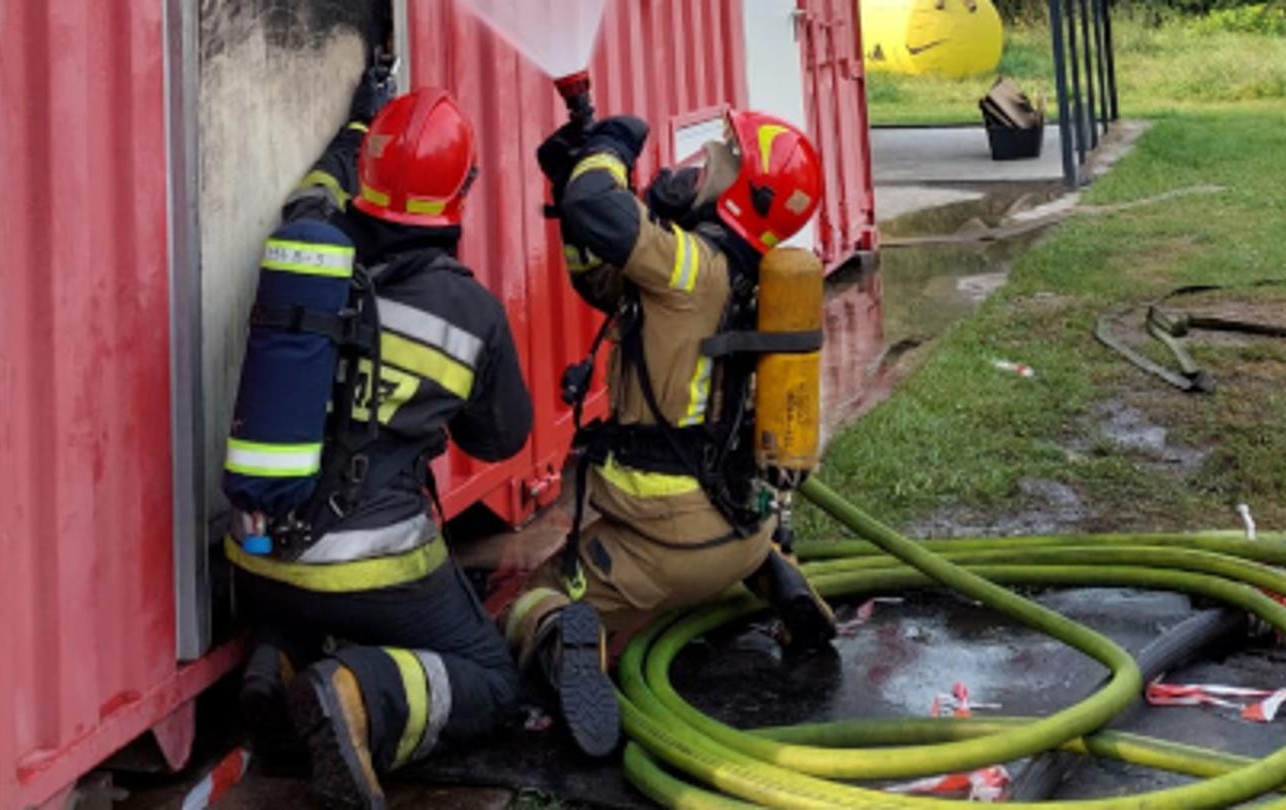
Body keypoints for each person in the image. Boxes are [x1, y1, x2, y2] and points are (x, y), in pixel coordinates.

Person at [227, 66, 532, 810]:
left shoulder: (310, 241)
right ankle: (359, 693)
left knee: (306, 614)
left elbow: (317, 187)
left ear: (365, 174)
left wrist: (359, 123)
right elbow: (502, 440)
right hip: (372, 573)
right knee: (492, 678)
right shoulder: (470, 313)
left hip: (258, 559)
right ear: (460, 193)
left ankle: (281, 662)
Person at [500, 108, 839, 757]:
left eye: (722, 156)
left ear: (746, 194)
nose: (702, 156)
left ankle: (570, 646)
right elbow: (599, 275)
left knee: (531, 598)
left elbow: (600, 207)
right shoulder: (737, 275)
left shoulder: (690, 268)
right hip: (741, 525)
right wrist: (567, 181)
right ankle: (777, 576)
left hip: (661, 545)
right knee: (727, 530)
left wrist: (601, 155)